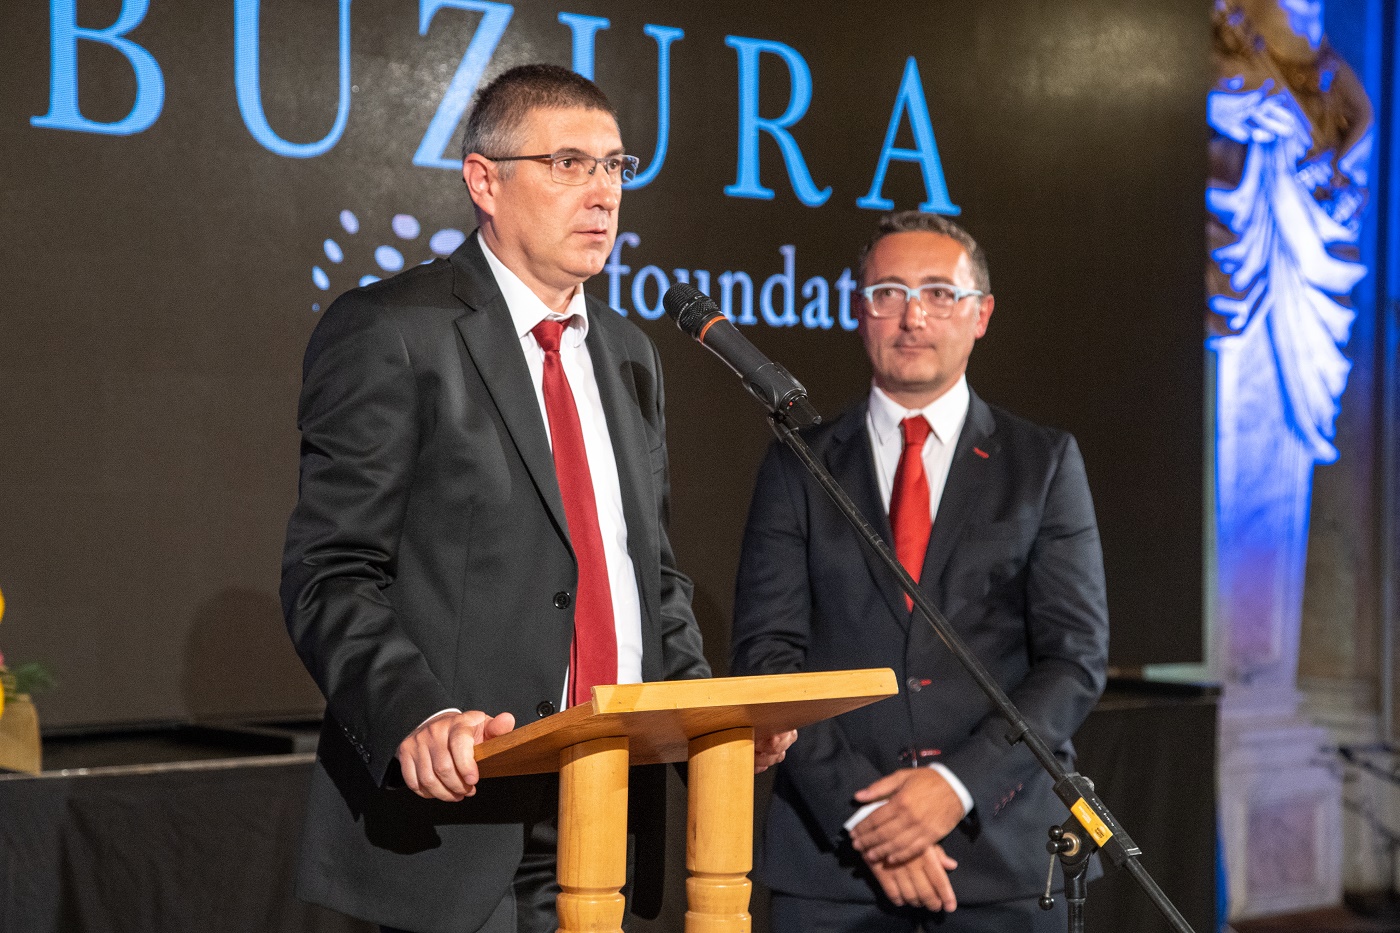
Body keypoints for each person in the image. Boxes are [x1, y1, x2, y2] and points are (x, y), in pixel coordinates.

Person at [281, 64, 791, 933]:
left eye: (615, 166)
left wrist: (707, 722)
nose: (602, 193)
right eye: (567, 164)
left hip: (610, 810)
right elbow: (330, 572)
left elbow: (648, 580)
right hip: (466, 816)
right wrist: (415, 711)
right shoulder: (393, 331)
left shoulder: (629, 352)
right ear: (484, 181)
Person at [730, 211, 1109, 932]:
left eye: (939, 293)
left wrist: (954, 786)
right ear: (858, 310)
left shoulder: (1042, 463)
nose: (913, 317)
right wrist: (872, 820)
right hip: (833, 865)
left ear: (981, 314)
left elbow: (1075, 659)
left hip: (1003, 856)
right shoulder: (798, 463)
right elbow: (767, 659)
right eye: (889, 293)